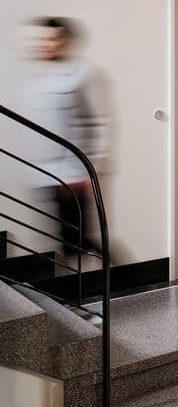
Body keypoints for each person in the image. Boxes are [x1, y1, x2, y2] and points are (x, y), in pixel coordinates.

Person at [23, 17, 111, 258]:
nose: (45, 45)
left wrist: (89, 170)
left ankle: (124, 282)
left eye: (51, 39)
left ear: (65, 42)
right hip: (44, 175)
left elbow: (98, 122)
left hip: (72, 175)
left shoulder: (82, 76)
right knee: (65, 241)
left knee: (79, 241)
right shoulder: (36, 82)